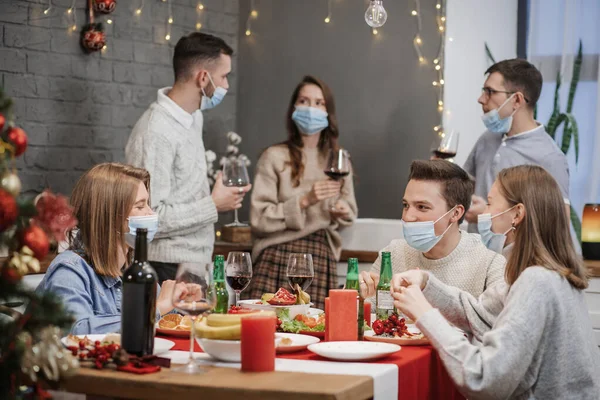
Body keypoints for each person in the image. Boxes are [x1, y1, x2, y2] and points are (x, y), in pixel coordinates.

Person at [390, 165, 600, 399]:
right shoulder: (549, 274)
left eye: (490, 203)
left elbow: (483, 379)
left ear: (517, 214)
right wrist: (425, 282)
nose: (483, 213)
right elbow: (478, 313)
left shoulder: (537, 282)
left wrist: (424, 314)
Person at [126, 32, 251, 284]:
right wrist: (213, 204)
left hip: (195, 262)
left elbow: (182, 191)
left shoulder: (194, 117)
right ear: (203, 77)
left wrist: (212, 192)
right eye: (224, 76)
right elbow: (147, 219)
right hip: (165, 266)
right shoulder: (154, 131)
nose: (226, 86)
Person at [246, 75, 358, 309]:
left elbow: (350, 211)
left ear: (329, 112)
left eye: (319, 103)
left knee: (313, 329)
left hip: (318, 254)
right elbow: (259, 219)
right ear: (294, 108)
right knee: (268, 329)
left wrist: (341, 210)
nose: (311, 109)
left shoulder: (338, 159)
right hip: (277, 252)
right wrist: (306, 200)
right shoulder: (274, 156)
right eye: (304, 101)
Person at [36, 163, 180, 335]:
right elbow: (76, 330)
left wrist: (177, 302)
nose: (151, 213)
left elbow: (165, 321)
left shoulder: (132, 270)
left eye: (148, 204)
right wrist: (155, 309)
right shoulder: (69, 270)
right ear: (110, 216)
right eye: (140, 206)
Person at [360, 160, 505, 299]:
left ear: (455, 213)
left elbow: (493, 320)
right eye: (406, 205)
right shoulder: (393, 254)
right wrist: (358, 294)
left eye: (422, 207)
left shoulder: (489, 260)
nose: (408, 217)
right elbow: (363, 311)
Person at [463, 59, 570, 231]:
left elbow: (558, 228)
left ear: (517, 100)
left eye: (490, 92)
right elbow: (465, 186)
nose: (481, 99)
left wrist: (488, 217)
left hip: (516, 258)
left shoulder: (551, 157)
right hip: (476, 255)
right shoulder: (487, 138)